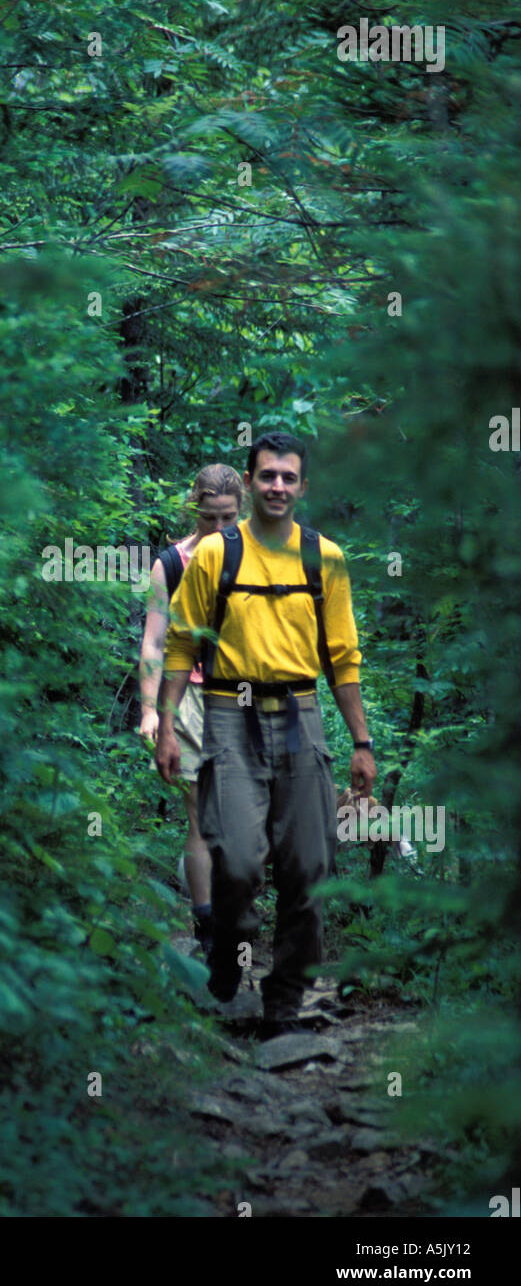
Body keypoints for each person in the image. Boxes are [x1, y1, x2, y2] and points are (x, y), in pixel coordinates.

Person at [156, 432, 377, 1039]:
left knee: (309, 864)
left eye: (289, 477)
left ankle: (284, 1002)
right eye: (268, 476)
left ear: (304, 487)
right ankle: (229, 957)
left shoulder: (325, 558)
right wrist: (166, 725)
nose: (278, 486)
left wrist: (361, 743)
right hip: (230, 710)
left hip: (301, 713)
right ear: (250, 482)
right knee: (234, 857)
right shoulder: (214, 555)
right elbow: (181, 644)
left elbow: (343, 657)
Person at [139, 465, 244, 957]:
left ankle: (238, 913)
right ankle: (208, 929)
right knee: (201, 817)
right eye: (208, 518)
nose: (218, 527)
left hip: (248, 695)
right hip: (191, 697)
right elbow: (154, 642)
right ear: (193, 510)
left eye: (228, 517)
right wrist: (150, 711)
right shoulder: (171, 564)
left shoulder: (260, 557)